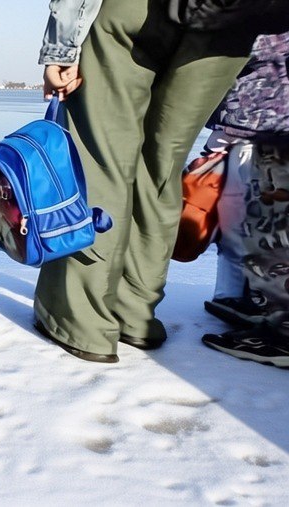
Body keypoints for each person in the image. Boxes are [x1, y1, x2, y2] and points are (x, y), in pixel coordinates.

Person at [33, 0, 259, 362]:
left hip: (134, 11)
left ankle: (81, 322)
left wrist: (60, 46)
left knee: (102, 159)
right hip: (228, 19)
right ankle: (134, 313)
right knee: (162, 164)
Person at [201, 32, 289, 368]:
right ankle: (246, 303)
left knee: (261, 221)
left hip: (262, 122)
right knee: (248, 218)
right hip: (256, 121)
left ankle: (277, 329)